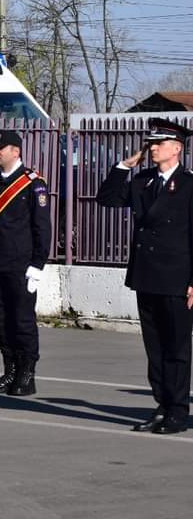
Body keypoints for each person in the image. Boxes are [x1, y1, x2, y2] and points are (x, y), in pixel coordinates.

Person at [97, 118, 193, 434]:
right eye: (151, 143)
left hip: (177, 277)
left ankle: (178, 410)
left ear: (177, 148)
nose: (152, 148)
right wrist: (124, 166)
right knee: (154, 348)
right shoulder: (142, 181)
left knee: (176, 348)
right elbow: (107, 198)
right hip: (147, 275)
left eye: (159, 143)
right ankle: (162, 405)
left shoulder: (190, 185)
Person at [0, 131, 51, 397]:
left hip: (21, 265)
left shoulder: (32, 183)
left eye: (1, 148)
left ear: (16, 151)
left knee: (22, 320)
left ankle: (26, 373)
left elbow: (42, 227)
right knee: (1, 321)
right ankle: (9, 370)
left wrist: (38, 264)